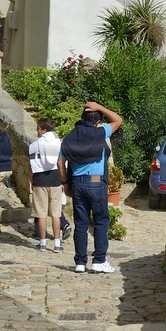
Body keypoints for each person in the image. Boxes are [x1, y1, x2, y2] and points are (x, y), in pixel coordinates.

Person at [58, 100, 123, 274]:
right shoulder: (100, 133)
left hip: (77, 183)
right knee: (101, 221)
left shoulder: (69, 137)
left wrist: (65, 183)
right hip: (96, 183)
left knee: (81, 223)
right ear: (96, 121)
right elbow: (118, 120)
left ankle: (80, 262)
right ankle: (99, 261)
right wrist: (99, 106)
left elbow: (60, 162)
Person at [28, 118, 64, 252]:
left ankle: (42, 243)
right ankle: (57, 243)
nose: (36, 131)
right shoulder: (59, 143)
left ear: (43, 129)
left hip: (40, 180)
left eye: (37, 128)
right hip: (55, 179)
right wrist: (63, 180)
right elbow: (61, 163)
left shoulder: (34, 145)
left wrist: (32, 181)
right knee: (56, 214)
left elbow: (31, 166)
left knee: (41, 214)